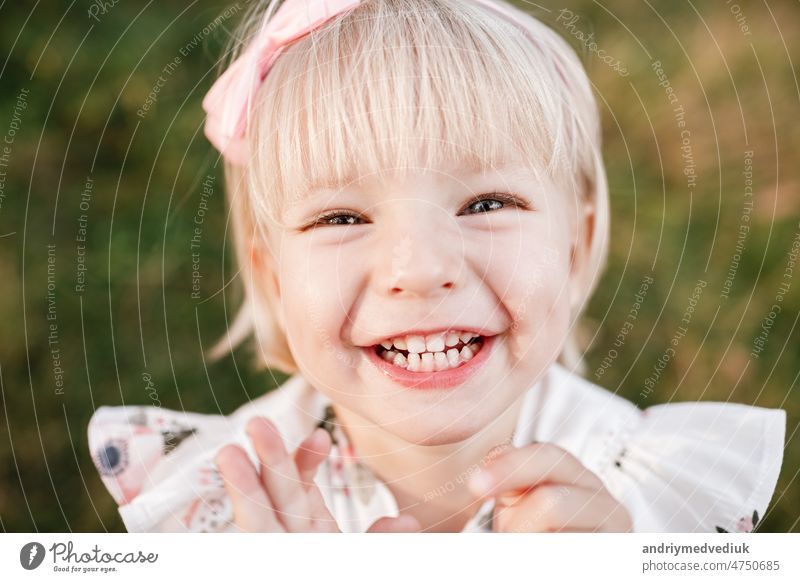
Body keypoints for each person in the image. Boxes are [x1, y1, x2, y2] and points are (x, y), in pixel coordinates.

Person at [88, 0, 785, 533]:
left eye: (486, 202)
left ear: (575, 247)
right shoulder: (224, 512)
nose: (418, 270)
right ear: (272, 274)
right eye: (341, 218)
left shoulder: (658, 504)